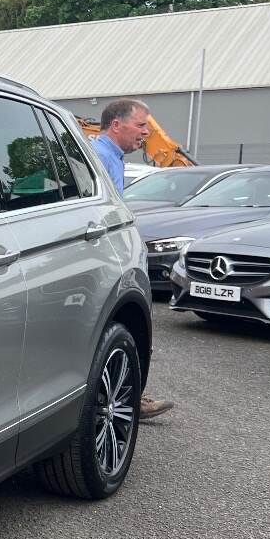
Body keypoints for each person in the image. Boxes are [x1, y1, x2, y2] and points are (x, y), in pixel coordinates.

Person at [94, 99, 174, 421]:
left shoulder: (110, 156)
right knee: (116, 330)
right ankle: (123, 398)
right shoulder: (101, 157)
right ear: (117, 125)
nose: (146, 133)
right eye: (141, 126)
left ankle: (127, 394)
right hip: (105, 259)